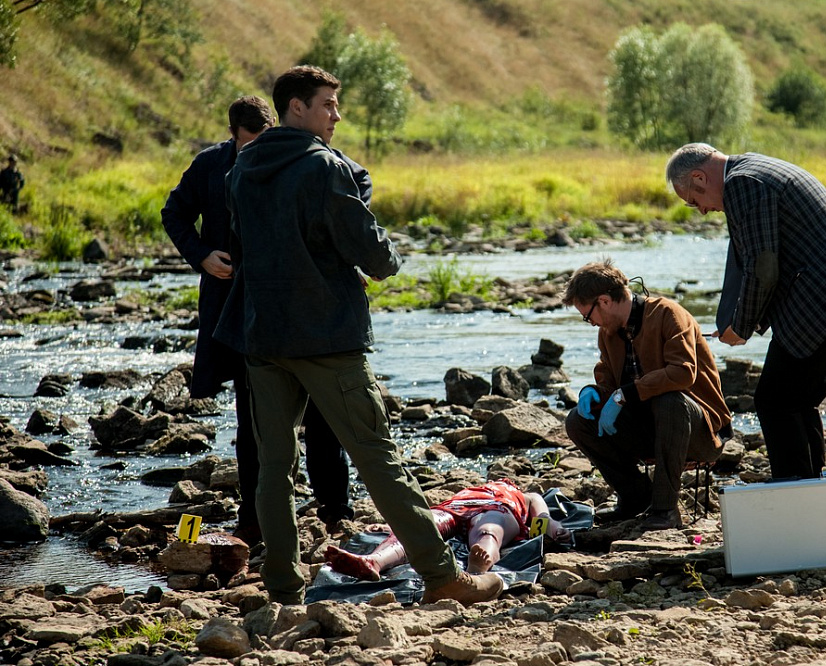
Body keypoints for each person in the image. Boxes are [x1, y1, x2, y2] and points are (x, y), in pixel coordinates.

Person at [214, 65, 502, 606]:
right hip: (327, 338)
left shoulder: (242, 166)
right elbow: (374, 255)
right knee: (377, 456)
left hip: (262, 339)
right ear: (295, 107)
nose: (336, 115)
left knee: (274, 466)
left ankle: (282, 585)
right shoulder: (324, 167)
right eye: (327, 104)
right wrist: (387, 252)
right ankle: (443, 577)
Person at [160, 97, 355, 546]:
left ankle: (335, 513)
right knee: (253, 424)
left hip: (304, 307)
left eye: (262, 142)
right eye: (247, 145)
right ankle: (252, 519)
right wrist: (202, 255)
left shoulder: (305, 158)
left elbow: (352, 187)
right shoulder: (210, 164)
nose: (255, 152)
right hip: (237, 309)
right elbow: (174, 214)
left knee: (325, 417)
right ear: (233, 137)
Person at [665, 144, 826, 482]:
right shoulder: (755, 169)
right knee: (799, 399)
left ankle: (796, 493)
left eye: (694, 201)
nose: (700, 211)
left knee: (774, 400)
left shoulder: (742, 183)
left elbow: (763, 266)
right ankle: (813, 488)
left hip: (824, 297)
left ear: (700, 177)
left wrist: (741, 327)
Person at [563, 260, 733, 531]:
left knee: (669, 401)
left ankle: (665, 510)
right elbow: (607, 381)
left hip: (700, 430)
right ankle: (636, 499)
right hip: (650, 428)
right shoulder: (608, 333)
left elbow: (682, 373)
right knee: (577, 421)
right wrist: (593, 392)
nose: (591, 323)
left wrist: (624, 395)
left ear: (604, 301)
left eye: (588, 316)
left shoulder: (668, 314)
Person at [324, 479, 571, 580]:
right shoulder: (469, 491)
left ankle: (479, 564)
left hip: (499, 510)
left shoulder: (524, 496)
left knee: (489, 532)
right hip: (455, 509)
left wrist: (555, 530)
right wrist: (390, 526)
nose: (500, 481)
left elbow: (542, 516)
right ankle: (374, 561)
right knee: (418, 526)